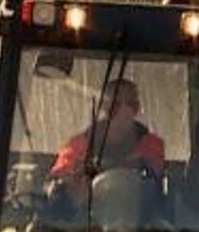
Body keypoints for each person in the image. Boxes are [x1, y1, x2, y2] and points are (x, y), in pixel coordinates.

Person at [45, 77, 167, 220]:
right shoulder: (78, 145)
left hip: (138, 222)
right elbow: (57, 179)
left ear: (137, 108)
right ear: (103, 107)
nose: (123, 111)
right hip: (86, 225)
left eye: (130, 105)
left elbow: (154, 179)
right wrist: (70, 182)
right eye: (115, 106)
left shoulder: (151, 144)